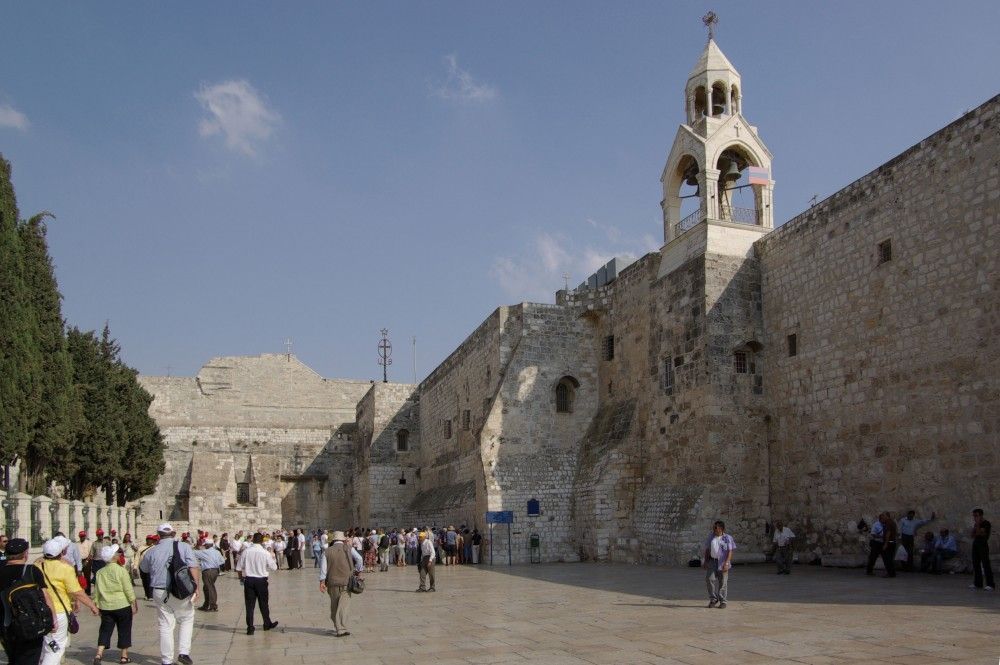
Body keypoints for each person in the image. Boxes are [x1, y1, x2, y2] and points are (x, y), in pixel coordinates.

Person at [138, 523, 201, 665]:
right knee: (186, 619)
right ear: (173, 533)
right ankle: (184, 653)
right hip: (181, 590)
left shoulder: (151, 551)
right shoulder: (183, 546)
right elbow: (193, 566)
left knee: (165, 625)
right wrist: (196, 587)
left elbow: (144, 569)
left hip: (160, 591)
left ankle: (167, 660)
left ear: (158, 535)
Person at [35, 536, 99, 665]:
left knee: (46, 645)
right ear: (62, 552)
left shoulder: (36, 566)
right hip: (58, 611)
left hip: (39, 610)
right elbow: (77, 592)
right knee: (56, 648)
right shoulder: (65, 568)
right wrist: (92, 605)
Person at [0, 538, 57, 665]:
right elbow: (46, 596)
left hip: (6, 627)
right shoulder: (32, 570)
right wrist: (53, 619)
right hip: (31, 623)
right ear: (25, 554)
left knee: (14, 659)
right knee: (30, 659)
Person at [93, 544, 138, 665]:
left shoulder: (100, 572)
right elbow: (127, 588)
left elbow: (96, 590)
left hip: (106, 606)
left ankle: (98, 654)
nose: (119, 554)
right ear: (114, 557)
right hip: (122, 605)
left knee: (105, 630)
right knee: (124, 629)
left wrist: (95, 603)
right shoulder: (121, 570)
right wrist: (133, 602)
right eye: (117, 553)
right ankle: (124, 656)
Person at [319, 530, 363, 637]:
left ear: (333, 540)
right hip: (346, 582)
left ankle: (338, 626)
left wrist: (322, 582)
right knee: (343, 605)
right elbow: (359, 558)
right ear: (343, 539)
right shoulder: (348, 548)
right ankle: (341, 628)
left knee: (334, 605)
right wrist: (358, 570)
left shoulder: (327, 551)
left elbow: (323, 569)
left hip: (332, 582)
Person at [236, 533, 278, 635]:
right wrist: (272, 555)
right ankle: (266, 624)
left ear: (253, 540)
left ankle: (250, 628)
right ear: (262, 541)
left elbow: (238, 568)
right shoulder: (265, 553)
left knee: (249, 605)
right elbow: (274, 567)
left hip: (249, 580)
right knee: (263, 604)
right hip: (261, 581)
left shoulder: (246, 551)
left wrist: (241, 579)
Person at [703, 521, 736, 608]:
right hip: (712, 561)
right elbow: (707, 549)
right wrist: (705, 561)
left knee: (723, 582)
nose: (714, 529)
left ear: (721, 529)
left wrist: (727, 562)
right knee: (709, 579)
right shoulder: (711, 537)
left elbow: (730, 551)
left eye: (715, 528)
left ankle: (723, 601)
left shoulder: (728, 538)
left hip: (723, 562)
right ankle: (713, 599)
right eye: (714, 528)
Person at [194, 540, 225, 612]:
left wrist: (196, 546)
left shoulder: (205, 552)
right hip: (215, 571)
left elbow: (193, 553)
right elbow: (222, 561)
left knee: (210, 587)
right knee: (206, 587)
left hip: (208, 571)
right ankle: (206, 605)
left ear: (208, 545)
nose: (204, 546)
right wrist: (214, 563)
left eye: (205, 545)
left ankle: (213, 606)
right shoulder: (217, 552)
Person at [969, 508, 994, 590]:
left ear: (981, 515)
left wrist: (978, 524)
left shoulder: (986, 523)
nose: (975, 518)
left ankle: (990, 584)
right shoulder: (976, 524)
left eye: (976, 516)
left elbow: (980, 533)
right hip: (976, 544)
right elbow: (972, 535)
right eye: (974, 516)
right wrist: (976, 526)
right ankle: (978, 583)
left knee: (986, 564)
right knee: (976, 564)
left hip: (983, 545)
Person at [134, 535, 157, 600]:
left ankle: (150, 595)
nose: (149, 540)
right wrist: (135, 567)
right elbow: (137, 558)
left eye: (151, 539)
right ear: (146, 540)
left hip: (151, 567)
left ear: (152, 540)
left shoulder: (154, 548)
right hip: (142, 567)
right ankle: (146, 594)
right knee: (144, 581)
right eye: (148, 539)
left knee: (150, 581)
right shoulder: (141, 548)